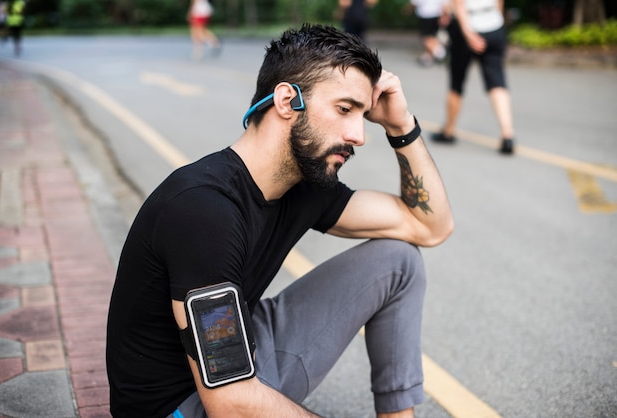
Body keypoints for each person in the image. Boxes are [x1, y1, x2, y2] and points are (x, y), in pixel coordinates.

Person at [106, 24, 454, 418]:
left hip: (243, 360)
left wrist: (400, 125)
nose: (358, 134)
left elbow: (430, 226)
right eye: (344, 109)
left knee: (399, 260)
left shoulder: (305, 185)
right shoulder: (203, 211)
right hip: (188, 405)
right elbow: (230, 402)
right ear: (287, 100)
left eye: (363, 113)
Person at [432, 0, 515, 154]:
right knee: (497, 81)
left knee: (456, 83)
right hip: (494, 26)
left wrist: (468, 33)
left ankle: (448, 131)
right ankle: (507, 134)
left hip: (468, 27)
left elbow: (458, 4)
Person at [407, 0, 450, 66]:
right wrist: (445, 15)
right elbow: (445, 4)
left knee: (427, 38)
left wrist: (408, 9)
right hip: (436, 15)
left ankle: (440, 53)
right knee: (432, 37)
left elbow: (414, 3)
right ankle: (428, 56)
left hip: (426, 16)